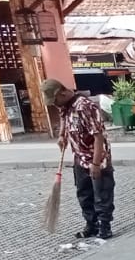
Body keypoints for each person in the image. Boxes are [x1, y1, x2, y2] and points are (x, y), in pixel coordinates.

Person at [41, 79, 114, 240]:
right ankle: (91, 225)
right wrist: (62, 135)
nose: (55, 105)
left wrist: (95, 164)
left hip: (97, 158)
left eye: (55, 101)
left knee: (101, 194)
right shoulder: (65, 107)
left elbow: (98, 136)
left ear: (63, 92)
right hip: (79, 158)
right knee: (84, 194)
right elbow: (63, 119)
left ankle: (104, 226)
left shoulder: (85, 106)